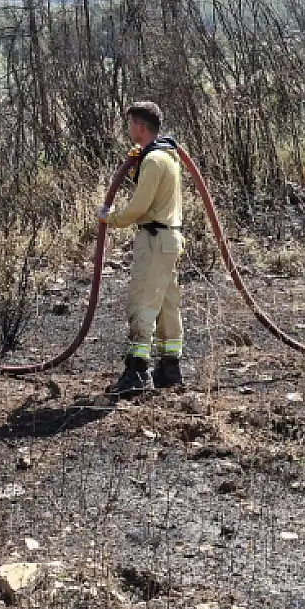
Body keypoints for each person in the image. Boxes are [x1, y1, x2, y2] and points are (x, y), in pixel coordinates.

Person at [97, 100, 185, 395]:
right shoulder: (167, 157)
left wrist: (111, 219)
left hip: (155, 238)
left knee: (142, 302)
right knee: (166, 304)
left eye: (131, 123)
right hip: (170, 239)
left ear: (140, 126)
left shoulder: (153, 160)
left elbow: (139, 206)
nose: (129, 129)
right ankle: (170, 368)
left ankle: (137, 371)